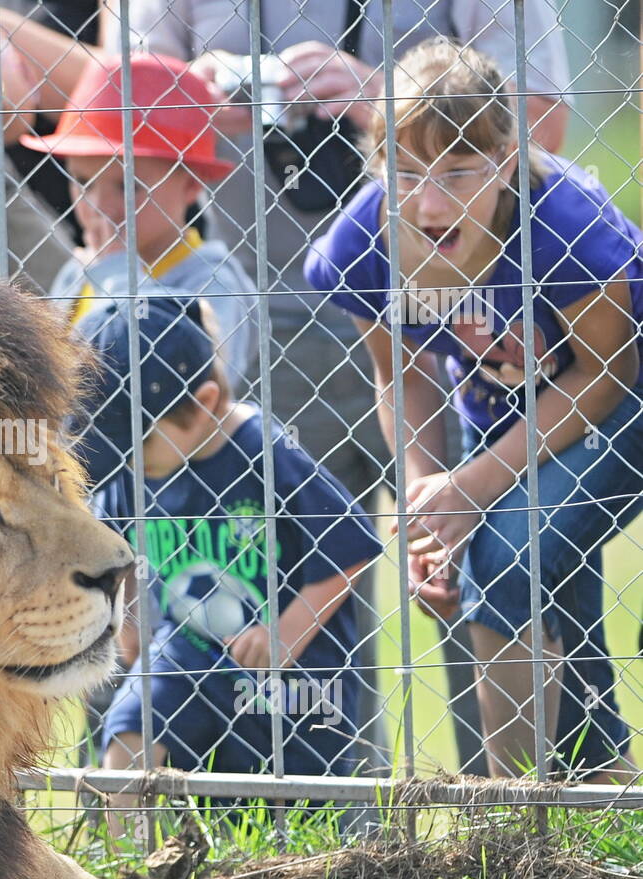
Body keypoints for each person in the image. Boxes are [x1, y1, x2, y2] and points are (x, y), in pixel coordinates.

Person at [103, 0, 572, 775]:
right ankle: (336, 826)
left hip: (456, 325)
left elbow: (545, 128)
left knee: (474, 568)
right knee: (286, 600)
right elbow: (117, 109)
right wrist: (195, 100)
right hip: (248, 320)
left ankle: (508, 815)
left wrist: (387, 106)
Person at [305, 38, 642, 782]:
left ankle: (517, 819)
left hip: (621, 402)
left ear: (507, 160)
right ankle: (601, 784)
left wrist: (474, 488)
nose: (429, 204)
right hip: (502, 416)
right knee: (546, 573)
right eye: (409, 173)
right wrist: (429, 502)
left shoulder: (566, 227)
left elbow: (606, 372)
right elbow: (405, 379)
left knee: (507, 558)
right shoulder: (367, 242)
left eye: (459, 172)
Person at [74, 296, 381, 808]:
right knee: (127, 736)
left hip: (287, 682)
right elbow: (115, 544)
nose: (126, 461)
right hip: (183, 657)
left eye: (136, 444)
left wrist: (287, 633)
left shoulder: (267, 452)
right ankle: (130, 860)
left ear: (205, 403)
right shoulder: (131, 469)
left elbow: (348, 543)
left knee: (287, 814)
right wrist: (126, 627)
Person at [23, 52, 256, 399]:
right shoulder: (81, 270)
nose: (99, 207)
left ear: (191, 183)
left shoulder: (213, 281)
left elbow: (187, 394)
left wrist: (118, 275)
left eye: (128, 186)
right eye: (83, 182)